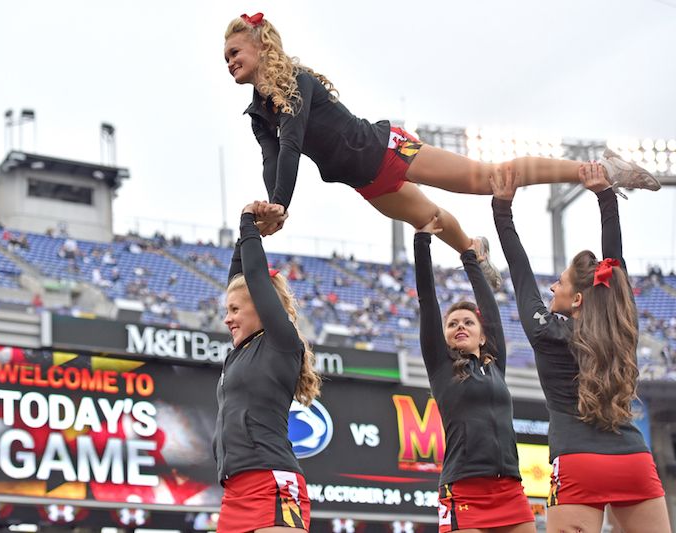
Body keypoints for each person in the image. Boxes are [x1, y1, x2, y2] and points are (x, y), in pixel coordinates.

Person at [223, 13, 661, 288]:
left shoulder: (297, 81)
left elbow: (294, 143)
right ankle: (475, 250)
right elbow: (274, 158)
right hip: (364, 181)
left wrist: (281, 203)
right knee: (431, 221)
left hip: (386, 149)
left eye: (234, 51)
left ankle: (598, 167)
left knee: (485, 179)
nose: (229, 62)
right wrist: (273, 208)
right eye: (224, 58)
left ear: (262, 47)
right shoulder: (258, 112)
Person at [490, 163, 670, 533]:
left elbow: (519, 272)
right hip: (633, 458)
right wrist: (605, 196)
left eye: (558, 283)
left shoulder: (546, 333)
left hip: (576, 462)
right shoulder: (623, 327)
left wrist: (502, 210)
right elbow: (614, 267)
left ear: (576, 301)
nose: (552, 288)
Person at [414, 220, 534, 533]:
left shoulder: (495, 365)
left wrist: (471, 259)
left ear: (483, 337)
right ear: (445, 336)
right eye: (453, 324)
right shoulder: (440, 367)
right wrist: (422, 241)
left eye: (468, 322)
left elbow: (490, 310)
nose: (460, 327)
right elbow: (427, 301)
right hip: (463, 489)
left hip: (510, 489)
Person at [213, 200, 321, 533]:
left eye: (234, 310)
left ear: (261, 306)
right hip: (235, 492)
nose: (227, 318)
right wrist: (246, 238)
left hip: (272, 482)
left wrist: (248, 221)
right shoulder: (240, 351)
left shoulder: (280, 341)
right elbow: (241, 278)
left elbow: (255, 278)